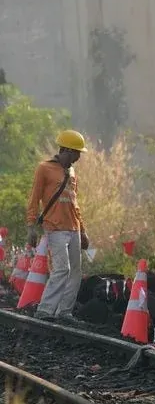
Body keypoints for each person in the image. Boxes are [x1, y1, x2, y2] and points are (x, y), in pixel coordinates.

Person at [25, 130, 90, 322]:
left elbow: (74, 204)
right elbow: (34, 199)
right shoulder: (44, 168)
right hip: (55, 228)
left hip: (74, 228)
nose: (79, 157)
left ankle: (64, 312)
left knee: (76, 272)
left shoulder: (72, 172)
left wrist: (83, 231)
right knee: (62, 269)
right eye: (77, 152)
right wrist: (31, 227)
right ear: (67, 150)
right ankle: (45, 311)